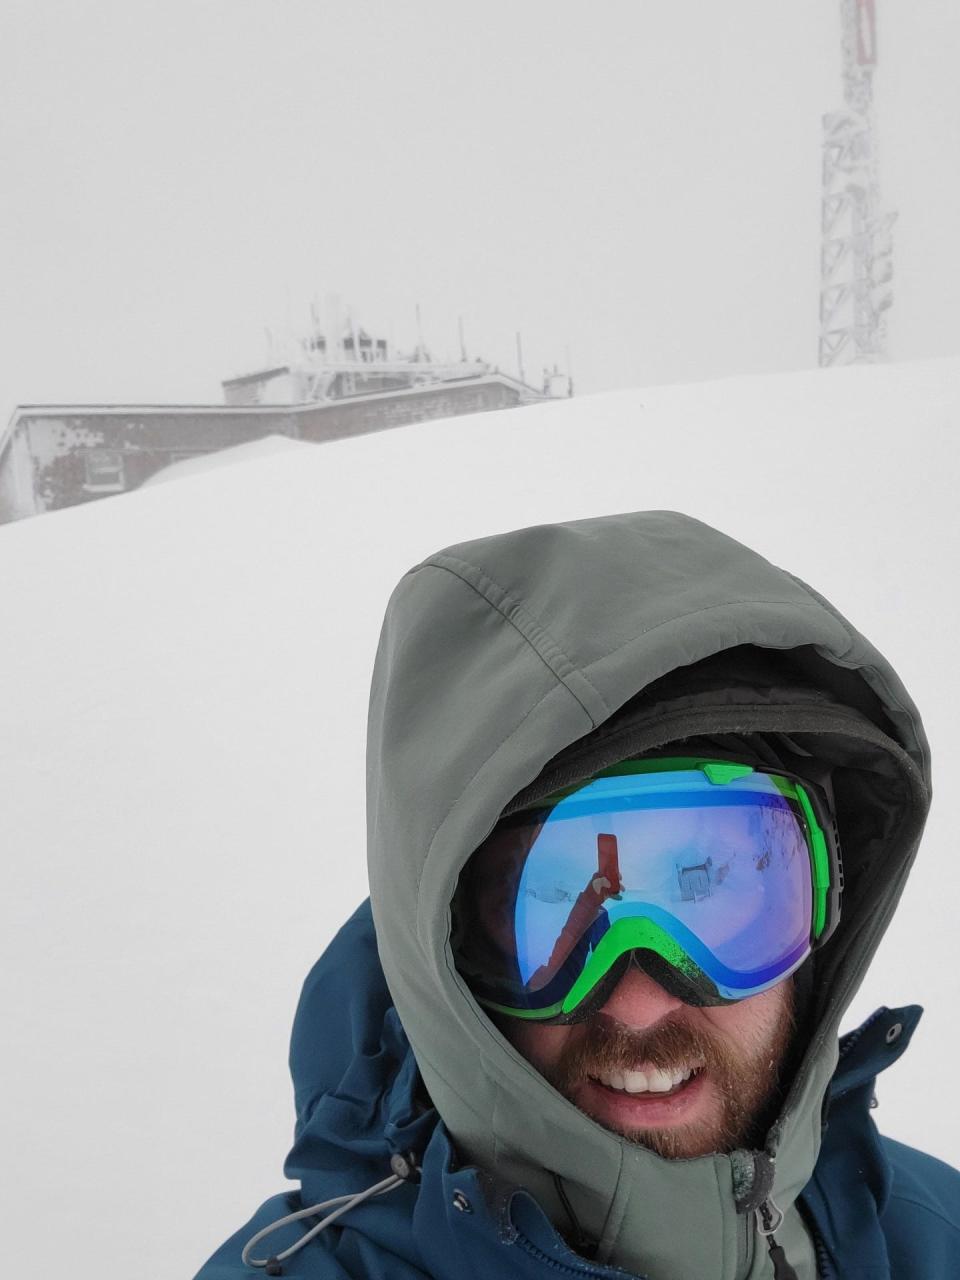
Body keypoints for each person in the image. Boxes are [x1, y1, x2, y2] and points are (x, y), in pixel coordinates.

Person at [193, 509, 959, 1280]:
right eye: (547, 900)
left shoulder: (937, 1234)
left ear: (827, 904)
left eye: (709, 885)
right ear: (445, 957)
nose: (639, 1003)